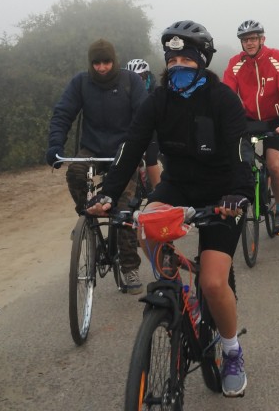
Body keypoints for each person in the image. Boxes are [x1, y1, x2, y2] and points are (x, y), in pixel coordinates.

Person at [87, 20, 254, 397]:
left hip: (223, 192)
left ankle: (231, 351)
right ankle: (182, 297)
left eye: (186, 58)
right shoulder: (158, 99)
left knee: (213, 281)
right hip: (178, 185)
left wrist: (239, 193)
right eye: (172, 58)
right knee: (145, 222)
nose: (178, 64)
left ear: (202, 61)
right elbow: (132, 146)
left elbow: (242, 150)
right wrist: (110, 193)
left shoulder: (222, 98)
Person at [46, 39, 147, 294]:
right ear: (90, 64)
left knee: (123, 209)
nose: (102, 67)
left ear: (114, 61)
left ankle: (129, 266)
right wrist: (55, 145)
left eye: (107, 62)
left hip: (125, 150)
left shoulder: (130, 82)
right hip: (92, 148)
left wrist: (144, 149)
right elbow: (63, 113)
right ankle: (87, 218)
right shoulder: (81, 82)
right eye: (96, 63)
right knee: (75, 173)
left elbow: (145, 117)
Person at [222, 20, 279, 235]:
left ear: (262, 39)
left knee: (273, 164)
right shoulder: (235, 63)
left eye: (253, 38)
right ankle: (242, 200)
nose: (250, 43)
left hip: (276, 120)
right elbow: (226, 96)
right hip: (248, 120)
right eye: (245, 40)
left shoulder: (277, 58)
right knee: (240, 163)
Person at [125, 58, 163, 189]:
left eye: (141, 76)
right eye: (134, 77)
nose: (138, 80)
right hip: (131, 130)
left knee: (151, 158)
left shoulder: (157, 92)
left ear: (148, 76)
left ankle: (159, 194)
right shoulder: (124, 93)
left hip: (153, 130)